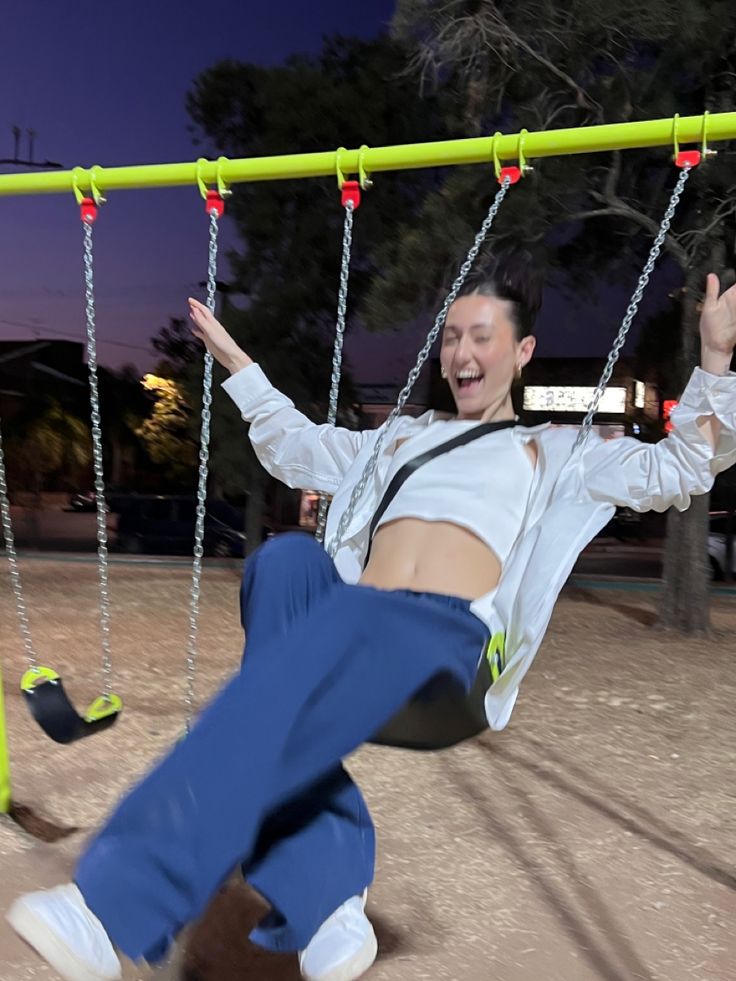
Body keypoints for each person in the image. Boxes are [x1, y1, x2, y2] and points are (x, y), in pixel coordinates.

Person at [7, 256, 736, 981]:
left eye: (482, 336)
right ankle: (325, 892)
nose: (462, 353)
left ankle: (113, 907)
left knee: (309, 653)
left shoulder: (557, 450)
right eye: (451, 336)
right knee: (285, 565)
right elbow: (295, 446)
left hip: (452, 652)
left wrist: (713, 357)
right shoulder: (399, 439)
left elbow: (681, 467)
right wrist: (235, 362)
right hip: (353, 631)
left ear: (521, 352)